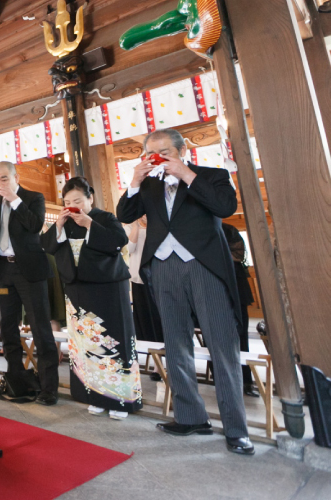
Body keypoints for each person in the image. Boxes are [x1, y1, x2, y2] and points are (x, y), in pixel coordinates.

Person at [116, 128, 253, 455]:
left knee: (222, 343)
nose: (158, 159)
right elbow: (125, 214)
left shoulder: (211, 175)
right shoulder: (148, 184)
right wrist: (135, 181)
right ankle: (191, 416)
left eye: (165, 153)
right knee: (175, 343)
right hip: (163, 267)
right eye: (150, 154)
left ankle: (236, 429)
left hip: (204, 266)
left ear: (182, 150)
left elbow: (224, 206)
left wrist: (187, 175)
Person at [43, 177, 142, 419]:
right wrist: (58, 225)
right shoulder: (65, 222)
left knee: (113, 340)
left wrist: (89, 224)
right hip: (77, 288)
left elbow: (119, 241)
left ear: (90, 199)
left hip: (108, 287)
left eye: (77, 200)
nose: (72, 205)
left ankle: (120, 399)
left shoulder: (105, 217)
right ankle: (94, 395)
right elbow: (46, 246)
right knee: (85, 343)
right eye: (67, 202)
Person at [0, 162, 58, 405]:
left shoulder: (33, 197)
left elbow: (34, 226)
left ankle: (48, 388)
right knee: (8, 329)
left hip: (29, 269)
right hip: (2, 269)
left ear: (15, 177)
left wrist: (15, 200)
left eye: (3, 178)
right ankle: (15, 380)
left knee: (40, 328)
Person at [222, 223, 259, 397]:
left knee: (241, 334)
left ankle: (246, 381)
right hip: (210, 284)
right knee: (213, 336)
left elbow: (238, 254)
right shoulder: (193, 228)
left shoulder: (229, 229)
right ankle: (221, 378)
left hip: (235, 283)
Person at [126, 216, 165, 344]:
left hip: (158, 276)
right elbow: (129, 249)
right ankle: (147, 345)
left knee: (159, 313)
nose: (144, 216)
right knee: (143, 315)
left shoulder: (160, 225)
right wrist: (136, 227)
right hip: (138, 276)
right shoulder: (129, 227)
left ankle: (163, 344)